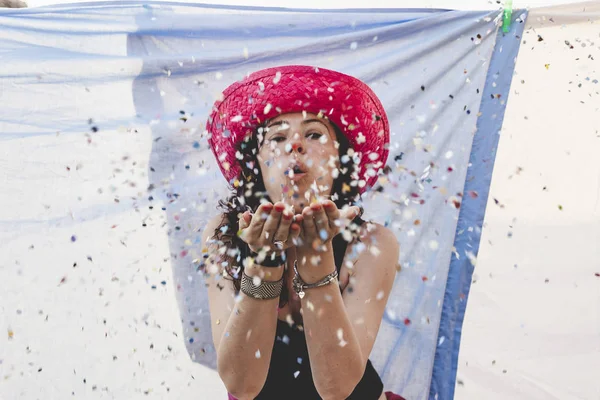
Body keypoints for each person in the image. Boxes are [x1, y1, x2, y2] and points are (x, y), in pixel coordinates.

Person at [201, 65, 403, 400]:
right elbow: (240, 384)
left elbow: (337, 388)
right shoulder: (223, 235)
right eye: (277, 137)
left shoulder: (372, 243)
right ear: (257, 164)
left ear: (341, 160)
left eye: (314, 134)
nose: (294, 145)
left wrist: (317, 260)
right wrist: (264, 262)